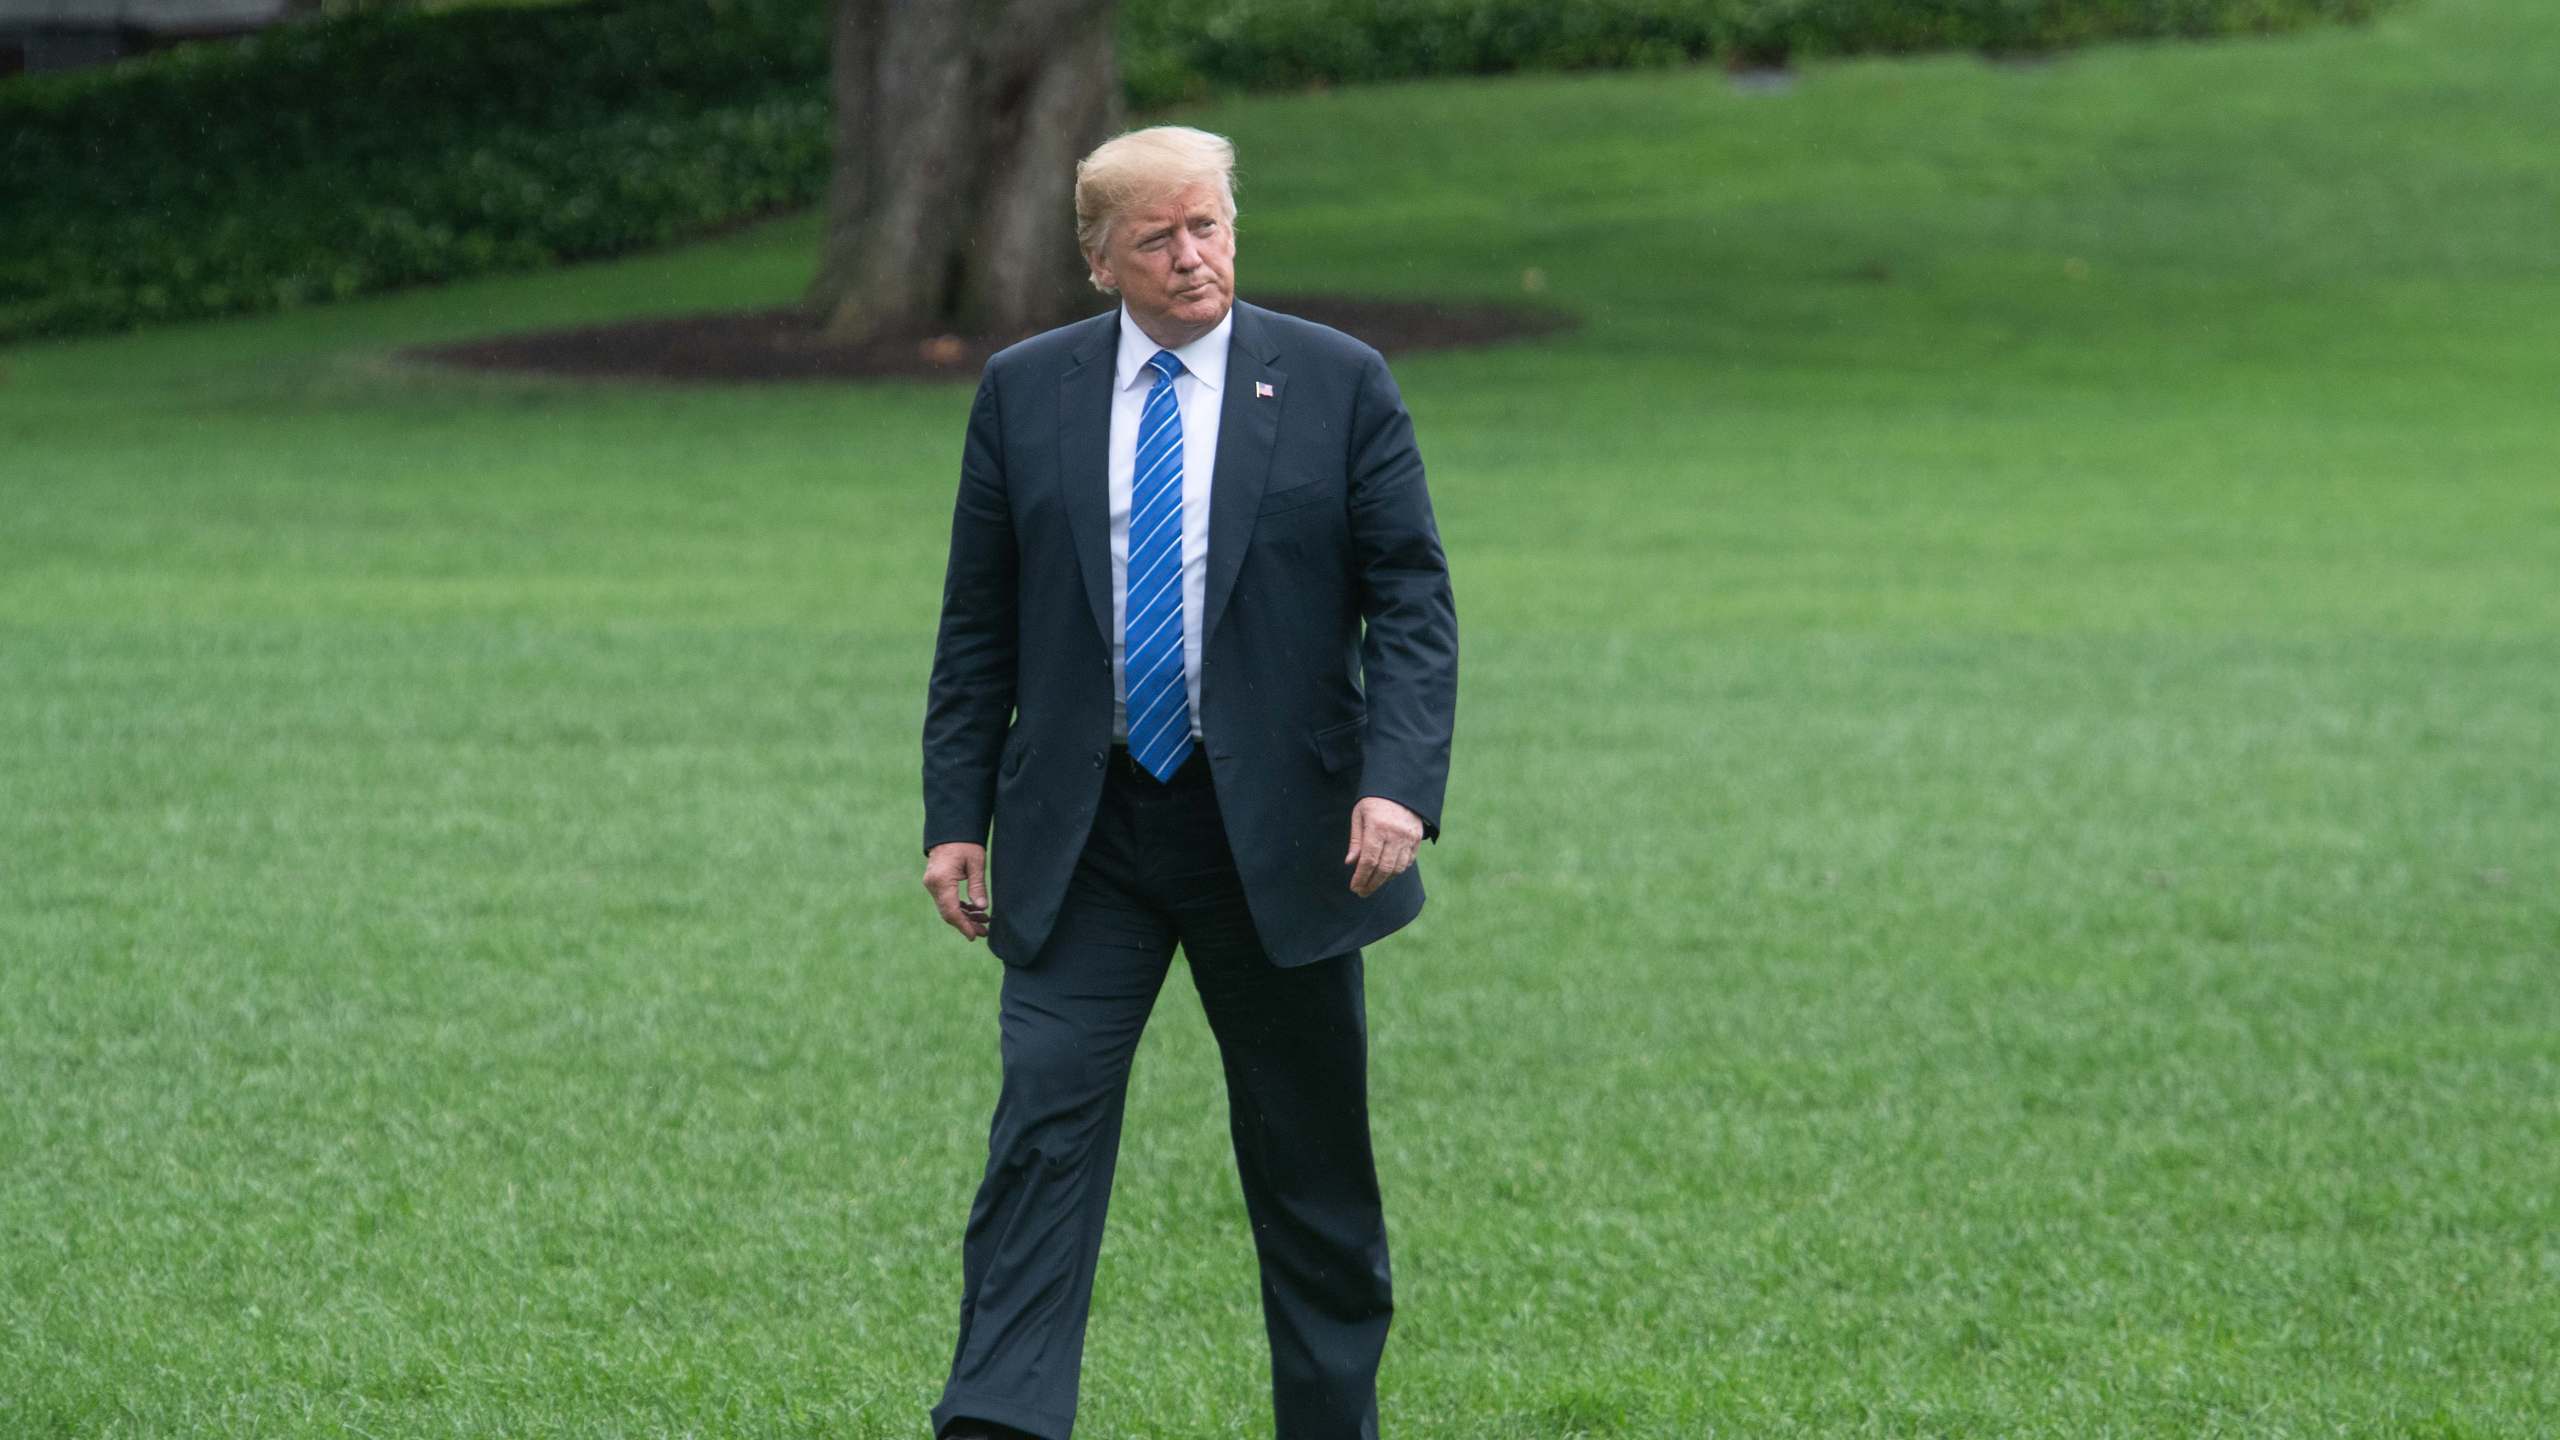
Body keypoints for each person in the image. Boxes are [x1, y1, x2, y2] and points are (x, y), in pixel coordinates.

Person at [917, 123, 1458, 1440]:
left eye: (1208, 224)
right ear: (1098, 260)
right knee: (1041, 1135)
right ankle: (999, 1423)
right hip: (1085, 831)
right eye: (1158, 237)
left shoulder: (1338, 383)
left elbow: (1412, 601)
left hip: (1281, 837)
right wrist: (952, 819)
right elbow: (978, 622)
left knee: (1309, 1160)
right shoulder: (1025, 391)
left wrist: (1397, 784)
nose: (1193, 256)